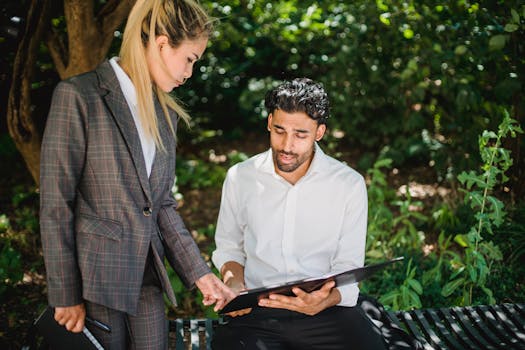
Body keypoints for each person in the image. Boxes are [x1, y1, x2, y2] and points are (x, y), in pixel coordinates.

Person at [39, 0, 235, 348]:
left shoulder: (166, 115)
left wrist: (201, 274)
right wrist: (64, 293)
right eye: (190, 59)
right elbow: (57, 204)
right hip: (94, 281)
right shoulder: (79, 97)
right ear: (161, 44)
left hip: (148, 276)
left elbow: (160, 205)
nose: (190, 73)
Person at [211, 78, 387, 349]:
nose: (287, 146)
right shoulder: (240, 177)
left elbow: (348, 267)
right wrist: (234, 284)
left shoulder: (348, 185)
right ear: (269, 122)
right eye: (279, 130)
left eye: (300, 135)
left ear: (319, 132)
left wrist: (324, 300)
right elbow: (229, 248)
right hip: (258, 310)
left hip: (326, 310)